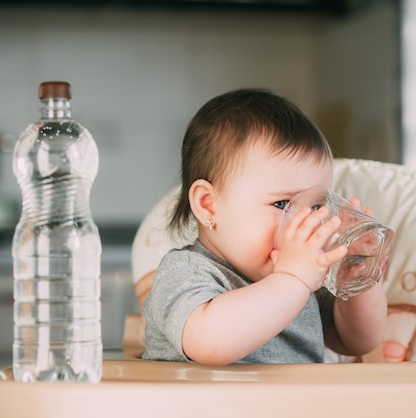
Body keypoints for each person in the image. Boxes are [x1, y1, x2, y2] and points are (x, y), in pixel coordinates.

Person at [143, 88, 387, 366]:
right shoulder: (186, 273)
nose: (301, 222)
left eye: (316, 206)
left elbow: (356, 341)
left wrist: (356, 277)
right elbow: (210, 344)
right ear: (209, 205)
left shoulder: (304, 276)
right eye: (283, 204)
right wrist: (292, 280)